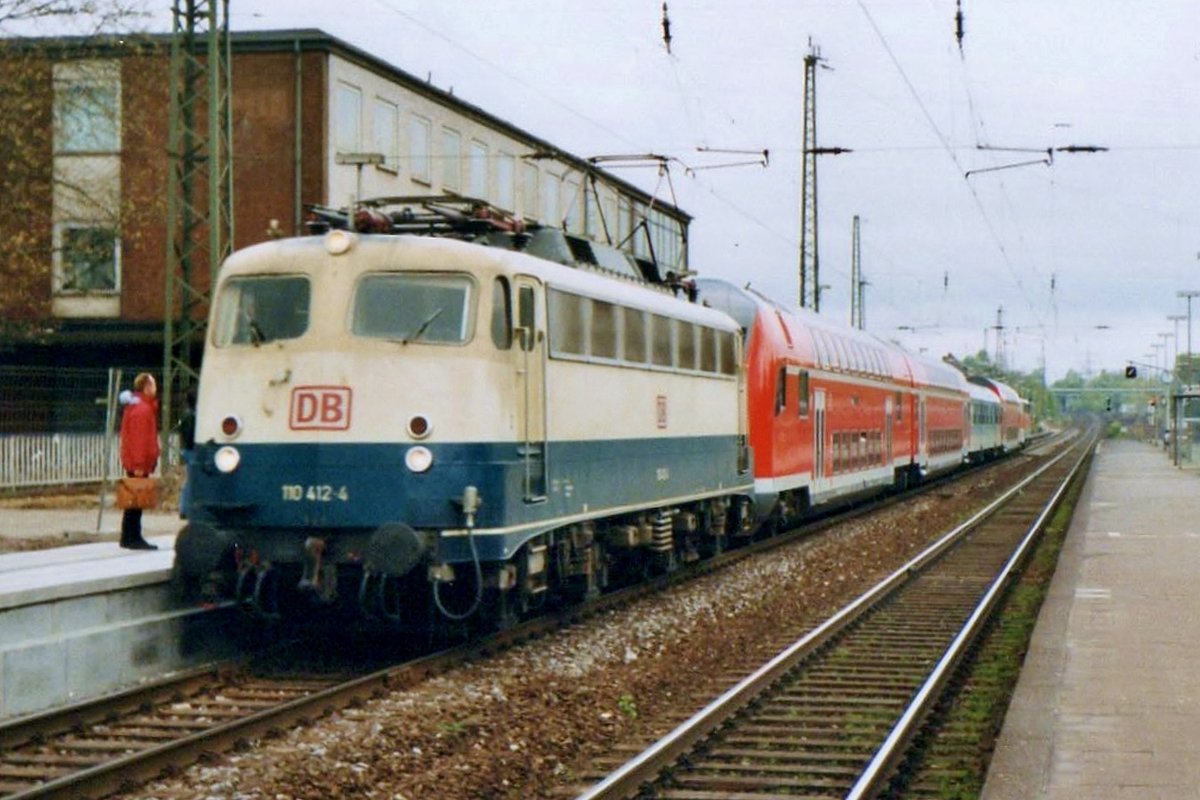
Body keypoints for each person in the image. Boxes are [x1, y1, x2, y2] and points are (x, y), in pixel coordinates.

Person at [119, 372, 160, 550]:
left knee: (134, 502)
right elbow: (139, 439)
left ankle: (129, 536)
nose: (156, 388)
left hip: (139, 462)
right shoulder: (142, 410)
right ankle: (132, 536)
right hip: (138, 464)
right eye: (153, 384)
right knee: (136, 502)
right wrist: (138, 464)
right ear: (146, 387)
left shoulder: (139, 407)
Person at [176, 386, 197, 520]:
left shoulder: (186, 415)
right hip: (192, 450)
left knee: (190, 479)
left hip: (186, 449)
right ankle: (185, 508)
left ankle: (184, 507)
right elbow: (191, 435)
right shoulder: (193, 416)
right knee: (192, 480)